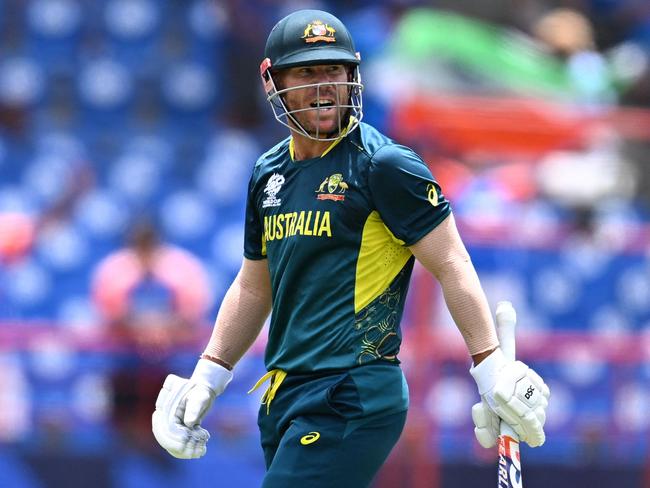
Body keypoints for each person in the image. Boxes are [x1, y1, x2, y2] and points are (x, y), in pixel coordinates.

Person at [152, 9, 550, 487]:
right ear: (271, 81)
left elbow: (451, 262)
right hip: (285, 394)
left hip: (354, 390)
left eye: (334, 71)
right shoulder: (268, 172)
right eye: (307, 72)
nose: (324, 85)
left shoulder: (383, 164)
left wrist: (489, 367)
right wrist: (208, 375)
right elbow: (254, 286)